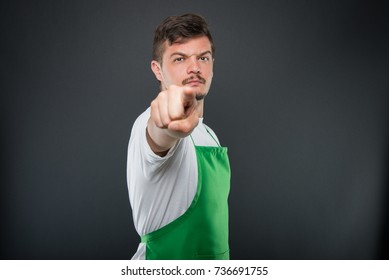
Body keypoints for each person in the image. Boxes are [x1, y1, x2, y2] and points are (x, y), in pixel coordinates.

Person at [126, 13, 231, 260]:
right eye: (180, 58)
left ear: (212, 66)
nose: (195, 67)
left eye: (203, 58)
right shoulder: (148, 124)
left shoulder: (209, 134)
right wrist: (166, 124)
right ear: (158, 70)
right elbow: (159, 134)